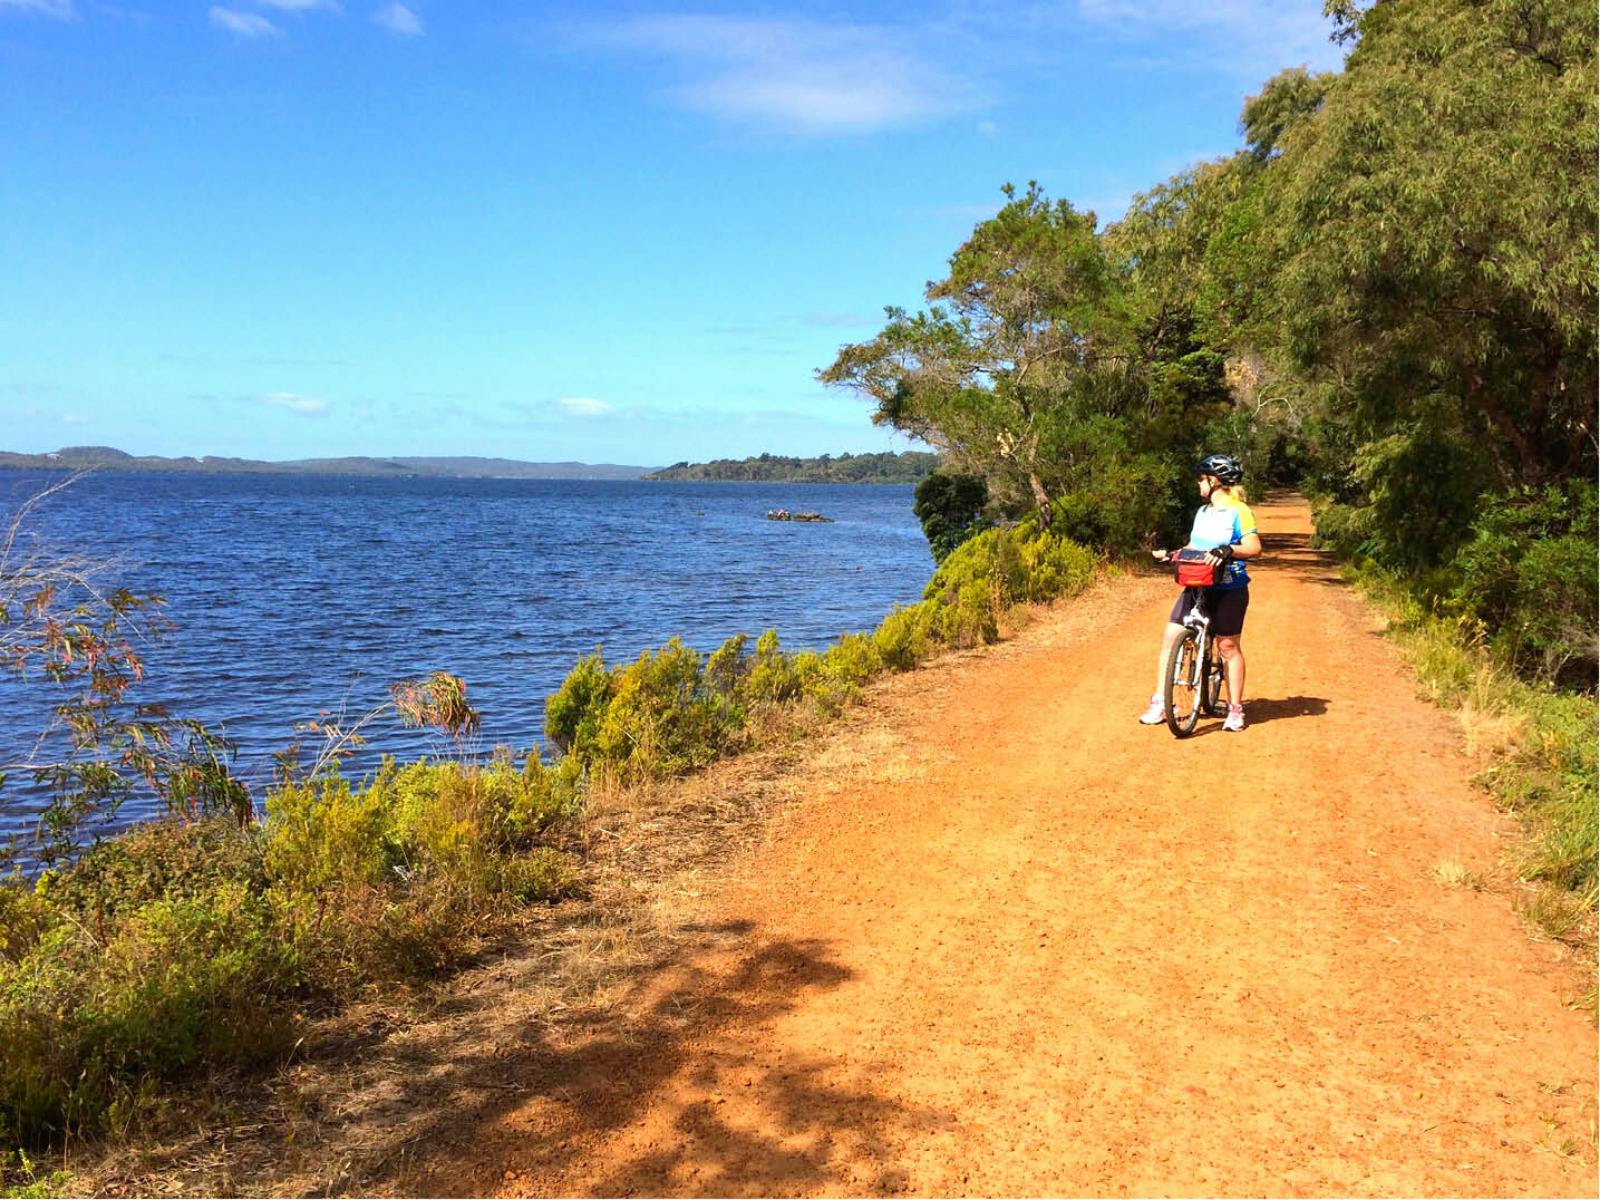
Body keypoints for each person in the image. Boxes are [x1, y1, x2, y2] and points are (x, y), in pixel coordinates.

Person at [1139, 453, 1262, 732]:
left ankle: (1234, 710)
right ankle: (1161, 703)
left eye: (1201, 479)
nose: (1198, 485)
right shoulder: (1202, 512)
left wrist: (1229, 550)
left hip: (1229, 588)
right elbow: (1195, 545)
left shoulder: (1239, 510)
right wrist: (1173, 554)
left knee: (1228, 647)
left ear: (1214, 481)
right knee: (1171, 637)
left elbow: (1254, 547)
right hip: (1196, 584)